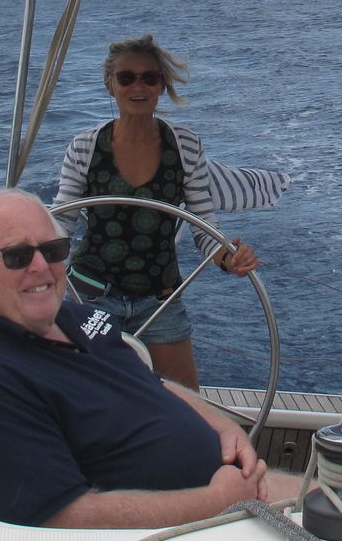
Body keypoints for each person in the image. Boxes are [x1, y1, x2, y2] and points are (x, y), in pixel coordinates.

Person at [0, 189, 301, 528]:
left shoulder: (69, 317)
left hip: (235, 495)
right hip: (199, 524)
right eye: (17, 256)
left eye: (53, 250)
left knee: (334, 498)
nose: (41, 266)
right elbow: (62, 516)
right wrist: (217, 501)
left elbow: (149, 383)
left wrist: (223, 427)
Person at [54, 34, 265, 389]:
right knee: (88, 401)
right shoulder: (84, 147)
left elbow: (203, 226)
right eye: (126, 78)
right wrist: (32, 261)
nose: (138, 87)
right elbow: (61, 221)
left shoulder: (186, 146)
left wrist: (229, 258)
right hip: (90, 294)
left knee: (186, 404)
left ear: (162, 85)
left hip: (160, 300)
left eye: (149, 78)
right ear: (110, 85)